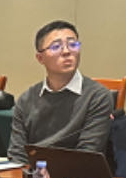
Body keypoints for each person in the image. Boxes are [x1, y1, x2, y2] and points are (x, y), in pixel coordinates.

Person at [7, 20, 116, 165]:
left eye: (73, 45)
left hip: (76, 175)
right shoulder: (27, 99)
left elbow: (87, 155)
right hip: (34, 175)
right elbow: (17, 155)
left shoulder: (97, 96)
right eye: (56, 47)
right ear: (40, 58)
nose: (66, 52)